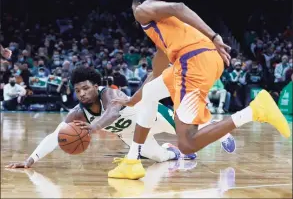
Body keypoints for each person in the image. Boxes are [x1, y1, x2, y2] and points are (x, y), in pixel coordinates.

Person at [106, 0, 290, 180]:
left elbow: (178, 7)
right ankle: (132, 161)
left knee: (186, 144)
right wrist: (131, 101)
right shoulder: (163, 36)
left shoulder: (142, 9)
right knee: (151, 92)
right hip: (201, 59)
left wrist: (214, 36)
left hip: (193, 60)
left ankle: (254, 111)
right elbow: (156, 74)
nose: (135, 17)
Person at [5, 66, 199, 169]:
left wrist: (94, 126)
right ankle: (173, 152)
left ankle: (216, 127)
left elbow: (112, 113)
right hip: (133, 135)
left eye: (86, 88)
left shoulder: (109, 94)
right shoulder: (77, 113)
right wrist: (31, 160)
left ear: (96, 87)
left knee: (192, 135)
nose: (81, 93)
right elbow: (56, 136)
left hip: (153, 116)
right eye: (77, 90)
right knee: (160, 158)